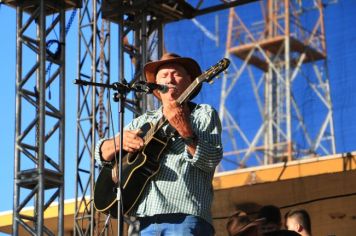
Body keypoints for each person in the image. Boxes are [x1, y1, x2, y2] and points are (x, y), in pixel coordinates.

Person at [95, 53, 223, 235]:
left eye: (176, 74)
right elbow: (100, 154)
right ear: (155, 85)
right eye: (164, 75)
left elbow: (210, 160)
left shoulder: (203, 114)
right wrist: (117, 143)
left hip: (185, 217)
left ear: (190, 81)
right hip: (142, 221)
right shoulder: (143, 121)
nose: (170, 79)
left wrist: (185, 130)